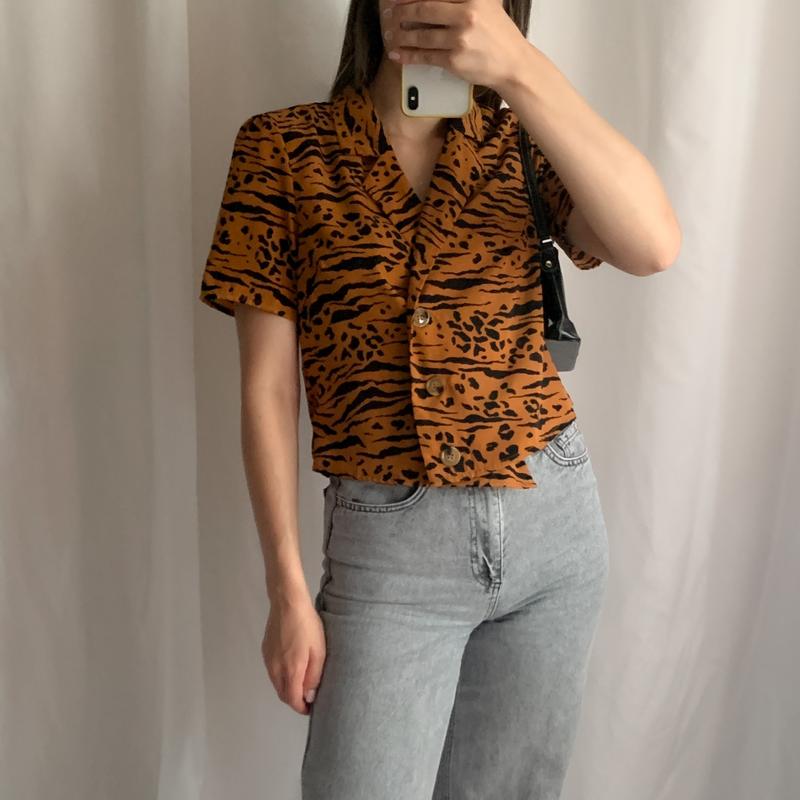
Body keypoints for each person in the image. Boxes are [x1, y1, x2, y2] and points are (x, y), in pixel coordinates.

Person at [198, 1, 680, 797]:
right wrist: (286, 590)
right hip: (388, 550)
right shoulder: (281, 149)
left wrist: (521, 70)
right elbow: (268, 389)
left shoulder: (524, 139)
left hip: (552, 524)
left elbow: (654, 245)